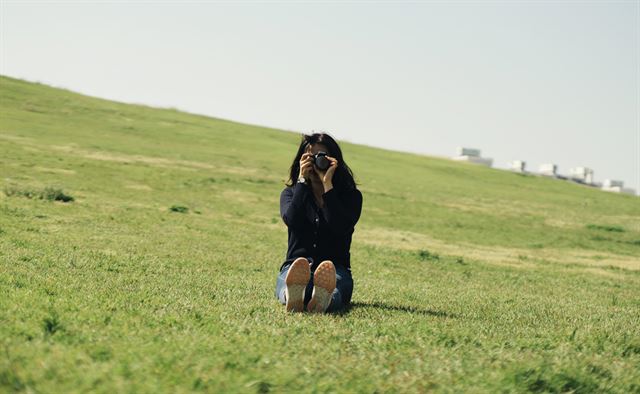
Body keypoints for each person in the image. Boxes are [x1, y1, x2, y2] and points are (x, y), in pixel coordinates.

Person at [274, 132, 363, 313]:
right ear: (301, 160)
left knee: (335, 288)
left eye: (321, 157)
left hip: (335, 269)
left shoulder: (351, 197)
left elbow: (340, 227)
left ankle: (324, 300)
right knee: (289, 283)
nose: (315, 162)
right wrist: (301, 180)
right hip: (296, 266)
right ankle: (292, 296)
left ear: (334, 161)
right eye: (310, 157)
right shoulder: (291, 194)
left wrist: (327, 184)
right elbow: (292, 220)